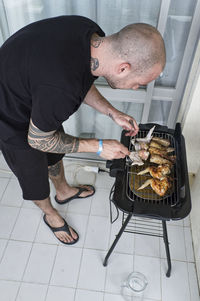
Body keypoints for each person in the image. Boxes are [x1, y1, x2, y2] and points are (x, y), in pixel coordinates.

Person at [0, 15, 166, 245]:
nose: (137, 88)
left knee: (55, 152)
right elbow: (38, 139)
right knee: (33, 175)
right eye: (138, 83)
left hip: (35, 94)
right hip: (9, 114)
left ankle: (64, 192)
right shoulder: (60, 89)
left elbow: (81, 79)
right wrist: (98, 147)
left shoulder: (90, 33)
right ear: (123, 68)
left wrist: (112, 112)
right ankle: (50, 213)